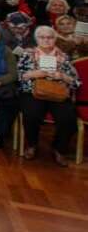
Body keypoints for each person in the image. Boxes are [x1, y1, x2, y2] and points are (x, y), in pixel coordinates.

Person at [17, 26, 81, 166]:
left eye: (50, 37)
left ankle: (59, 149)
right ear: (36, 39)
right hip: (33, 92)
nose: (46, 40)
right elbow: (19, 77)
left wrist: (62, 76)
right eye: (42, 37)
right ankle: (32, 145)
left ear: (55, 39)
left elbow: (76, 83)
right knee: (31, 115)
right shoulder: (27, 55)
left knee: (68, 119)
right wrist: (35, 74)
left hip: (58, 93)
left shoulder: (64, 57)